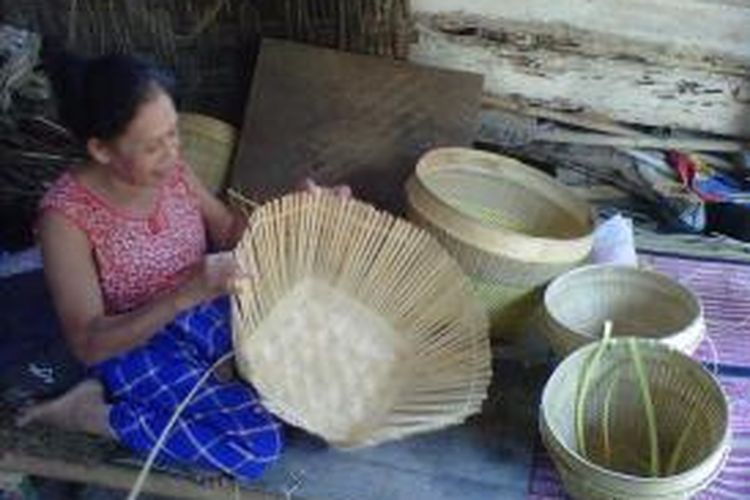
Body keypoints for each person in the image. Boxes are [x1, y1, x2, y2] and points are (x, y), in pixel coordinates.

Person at [17, 52, 348, 482]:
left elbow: (228, 229)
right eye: (153, 145)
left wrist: (294, 213)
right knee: (256, 448)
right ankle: (92, 414)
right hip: (137, 343)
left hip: (206, 309)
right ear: (100, 149)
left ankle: (244, 388)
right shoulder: (65, 218)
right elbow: (88, 342)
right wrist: (186, 293)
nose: (171, 154)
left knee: (323, 392)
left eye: (174, 134)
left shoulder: (169, 169)